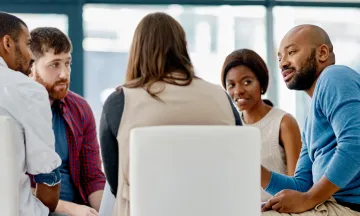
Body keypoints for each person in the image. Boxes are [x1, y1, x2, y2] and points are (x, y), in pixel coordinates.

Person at [99, 12, 241, 216]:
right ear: (183, 47)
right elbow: (238, 164)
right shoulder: (221, 97)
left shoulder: (120, 102)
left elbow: (115, 183)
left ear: (137, 50)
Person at [261, 24, 360, 215]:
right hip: (331, 204)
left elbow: (355, 143)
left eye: (291, 52)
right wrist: (252, 169)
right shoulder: (311, 119)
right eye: (280, 57)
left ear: (322, 53)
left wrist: (309, 199)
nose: (282, 63)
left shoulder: (334, 76)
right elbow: (302, 185)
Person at [29, 27, 105, 216]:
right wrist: (68, 208)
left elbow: (92, 177)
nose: (64, 73)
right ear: (31, 66)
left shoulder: (79, 108)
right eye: (54, 65)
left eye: (67, 63)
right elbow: (13, 187)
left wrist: (108, 212)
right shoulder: (13, 110)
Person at [0, 12, 61, 216]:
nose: (32, 56)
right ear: (7, 43)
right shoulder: (28, 90)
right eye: (27, 44)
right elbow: (47, 178)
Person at [221, 48, 302, 202]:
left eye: (247, 82)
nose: (238, 91)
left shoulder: (284, 123)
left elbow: (296, 188)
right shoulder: (229, 126)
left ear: (261, 84)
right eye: (231, 85)